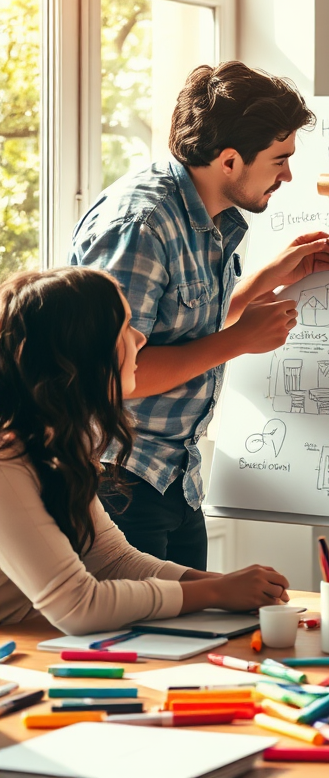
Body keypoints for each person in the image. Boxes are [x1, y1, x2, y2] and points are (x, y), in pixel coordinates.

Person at [69, 62, 329, 570]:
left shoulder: (207, 216)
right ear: (231, 161)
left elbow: (180, 326)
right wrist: (239, 341)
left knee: (193, 638)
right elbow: (114, 375)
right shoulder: (141, 225)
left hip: (173, 479)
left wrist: (267, 279)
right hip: (119, 482)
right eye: (280, 159)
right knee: (144, 643)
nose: (288, 175)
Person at [0, 268, 291, 635]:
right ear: (83, 352)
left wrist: (228, 585)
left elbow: (112, 560)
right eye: (124, 327)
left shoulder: (62, 443)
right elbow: (77, 605)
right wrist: (215, 591)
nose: (139, 338)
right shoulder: (7, 463)